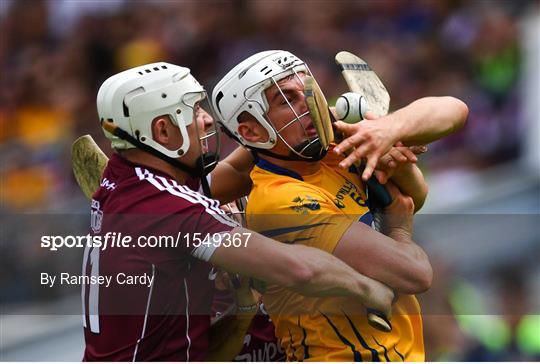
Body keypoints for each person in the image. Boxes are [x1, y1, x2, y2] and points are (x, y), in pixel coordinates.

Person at [82, 62, 395, 361]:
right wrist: (368, 287)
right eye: (193, 111)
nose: (207, 120)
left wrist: (303, 124)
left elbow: (226, 174)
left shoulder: (121, 182)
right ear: (162, 132)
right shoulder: (169, 208)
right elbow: (300, 269)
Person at [212, 50, 468, 361]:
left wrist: (390, 129)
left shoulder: (333, 144)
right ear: (252, 131)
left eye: (306, 90)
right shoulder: (281, 199)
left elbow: (454, 110)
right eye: (286, 100)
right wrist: (399, 229)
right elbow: (416, 274)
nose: (308, 104)